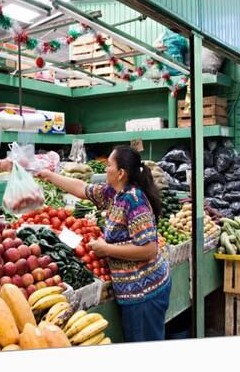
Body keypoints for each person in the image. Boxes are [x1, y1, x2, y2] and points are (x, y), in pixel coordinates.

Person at [38, 145, 171, 342]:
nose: (105, 169)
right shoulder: (113, 193)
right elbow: (82, 189)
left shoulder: (134, 201)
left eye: (109, 165)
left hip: (145, 292)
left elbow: (149, 249)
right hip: (131, 290)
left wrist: (106, 249)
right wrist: (50, 176)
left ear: (121, 173)